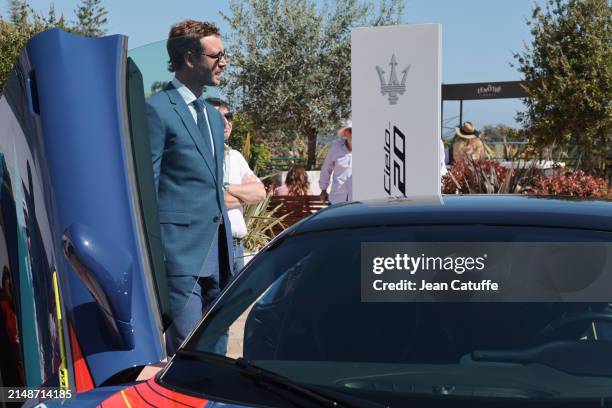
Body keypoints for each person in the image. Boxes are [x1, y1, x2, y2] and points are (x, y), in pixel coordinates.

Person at [146, 20, 231, 355]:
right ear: (189, 58)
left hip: (220, 256)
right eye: (216, 55)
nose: (223, 62)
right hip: (180, 258)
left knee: (217, 352)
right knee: (188, 356)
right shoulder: (155, 110)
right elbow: (147, 190)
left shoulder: (212, 117)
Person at [206, 97, 266, 272]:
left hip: (237, 246)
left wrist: (226, 187)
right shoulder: (202, 156)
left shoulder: (235, 156)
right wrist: (244, 196)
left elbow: (260, 193)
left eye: (229, 116)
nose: (226, 122)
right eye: (219, 117)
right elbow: (214, 200)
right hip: (215, 245)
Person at [319, 119, 352, 204]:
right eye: (350, 130)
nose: (352, 133)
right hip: (337, 199)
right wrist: (323, 189)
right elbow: (326, 168)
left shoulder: (366, 150)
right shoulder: (336, 148)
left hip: (359, 202)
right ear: (345, 133)